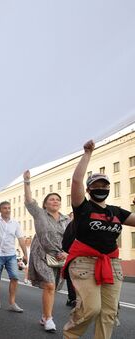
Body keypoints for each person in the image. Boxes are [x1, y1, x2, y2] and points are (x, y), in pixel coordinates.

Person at [62, 140, 135, 339]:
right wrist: (87, 153)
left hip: (112, 264)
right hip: (84, 263)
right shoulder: (83, 208)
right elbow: (76, 181)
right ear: (88, 190)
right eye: (96, 185)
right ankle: (70, 335)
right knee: (91, 309)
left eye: (104, 185)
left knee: (109, 313)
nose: (101, 188)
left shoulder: (117, 212)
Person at [23, 170, 70, 333]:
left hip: (60, 257)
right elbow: (29, 201)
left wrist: (66, 252)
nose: (55, 201)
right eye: (52, 199)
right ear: (45, 204)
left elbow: (72, 239)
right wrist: (27, 182)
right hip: (42, 254)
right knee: (49, 285)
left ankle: (45, 315)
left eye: (58, 199)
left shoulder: (67, 219)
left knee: (54, 287)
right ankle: (49, 319)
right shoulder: (39, 214)